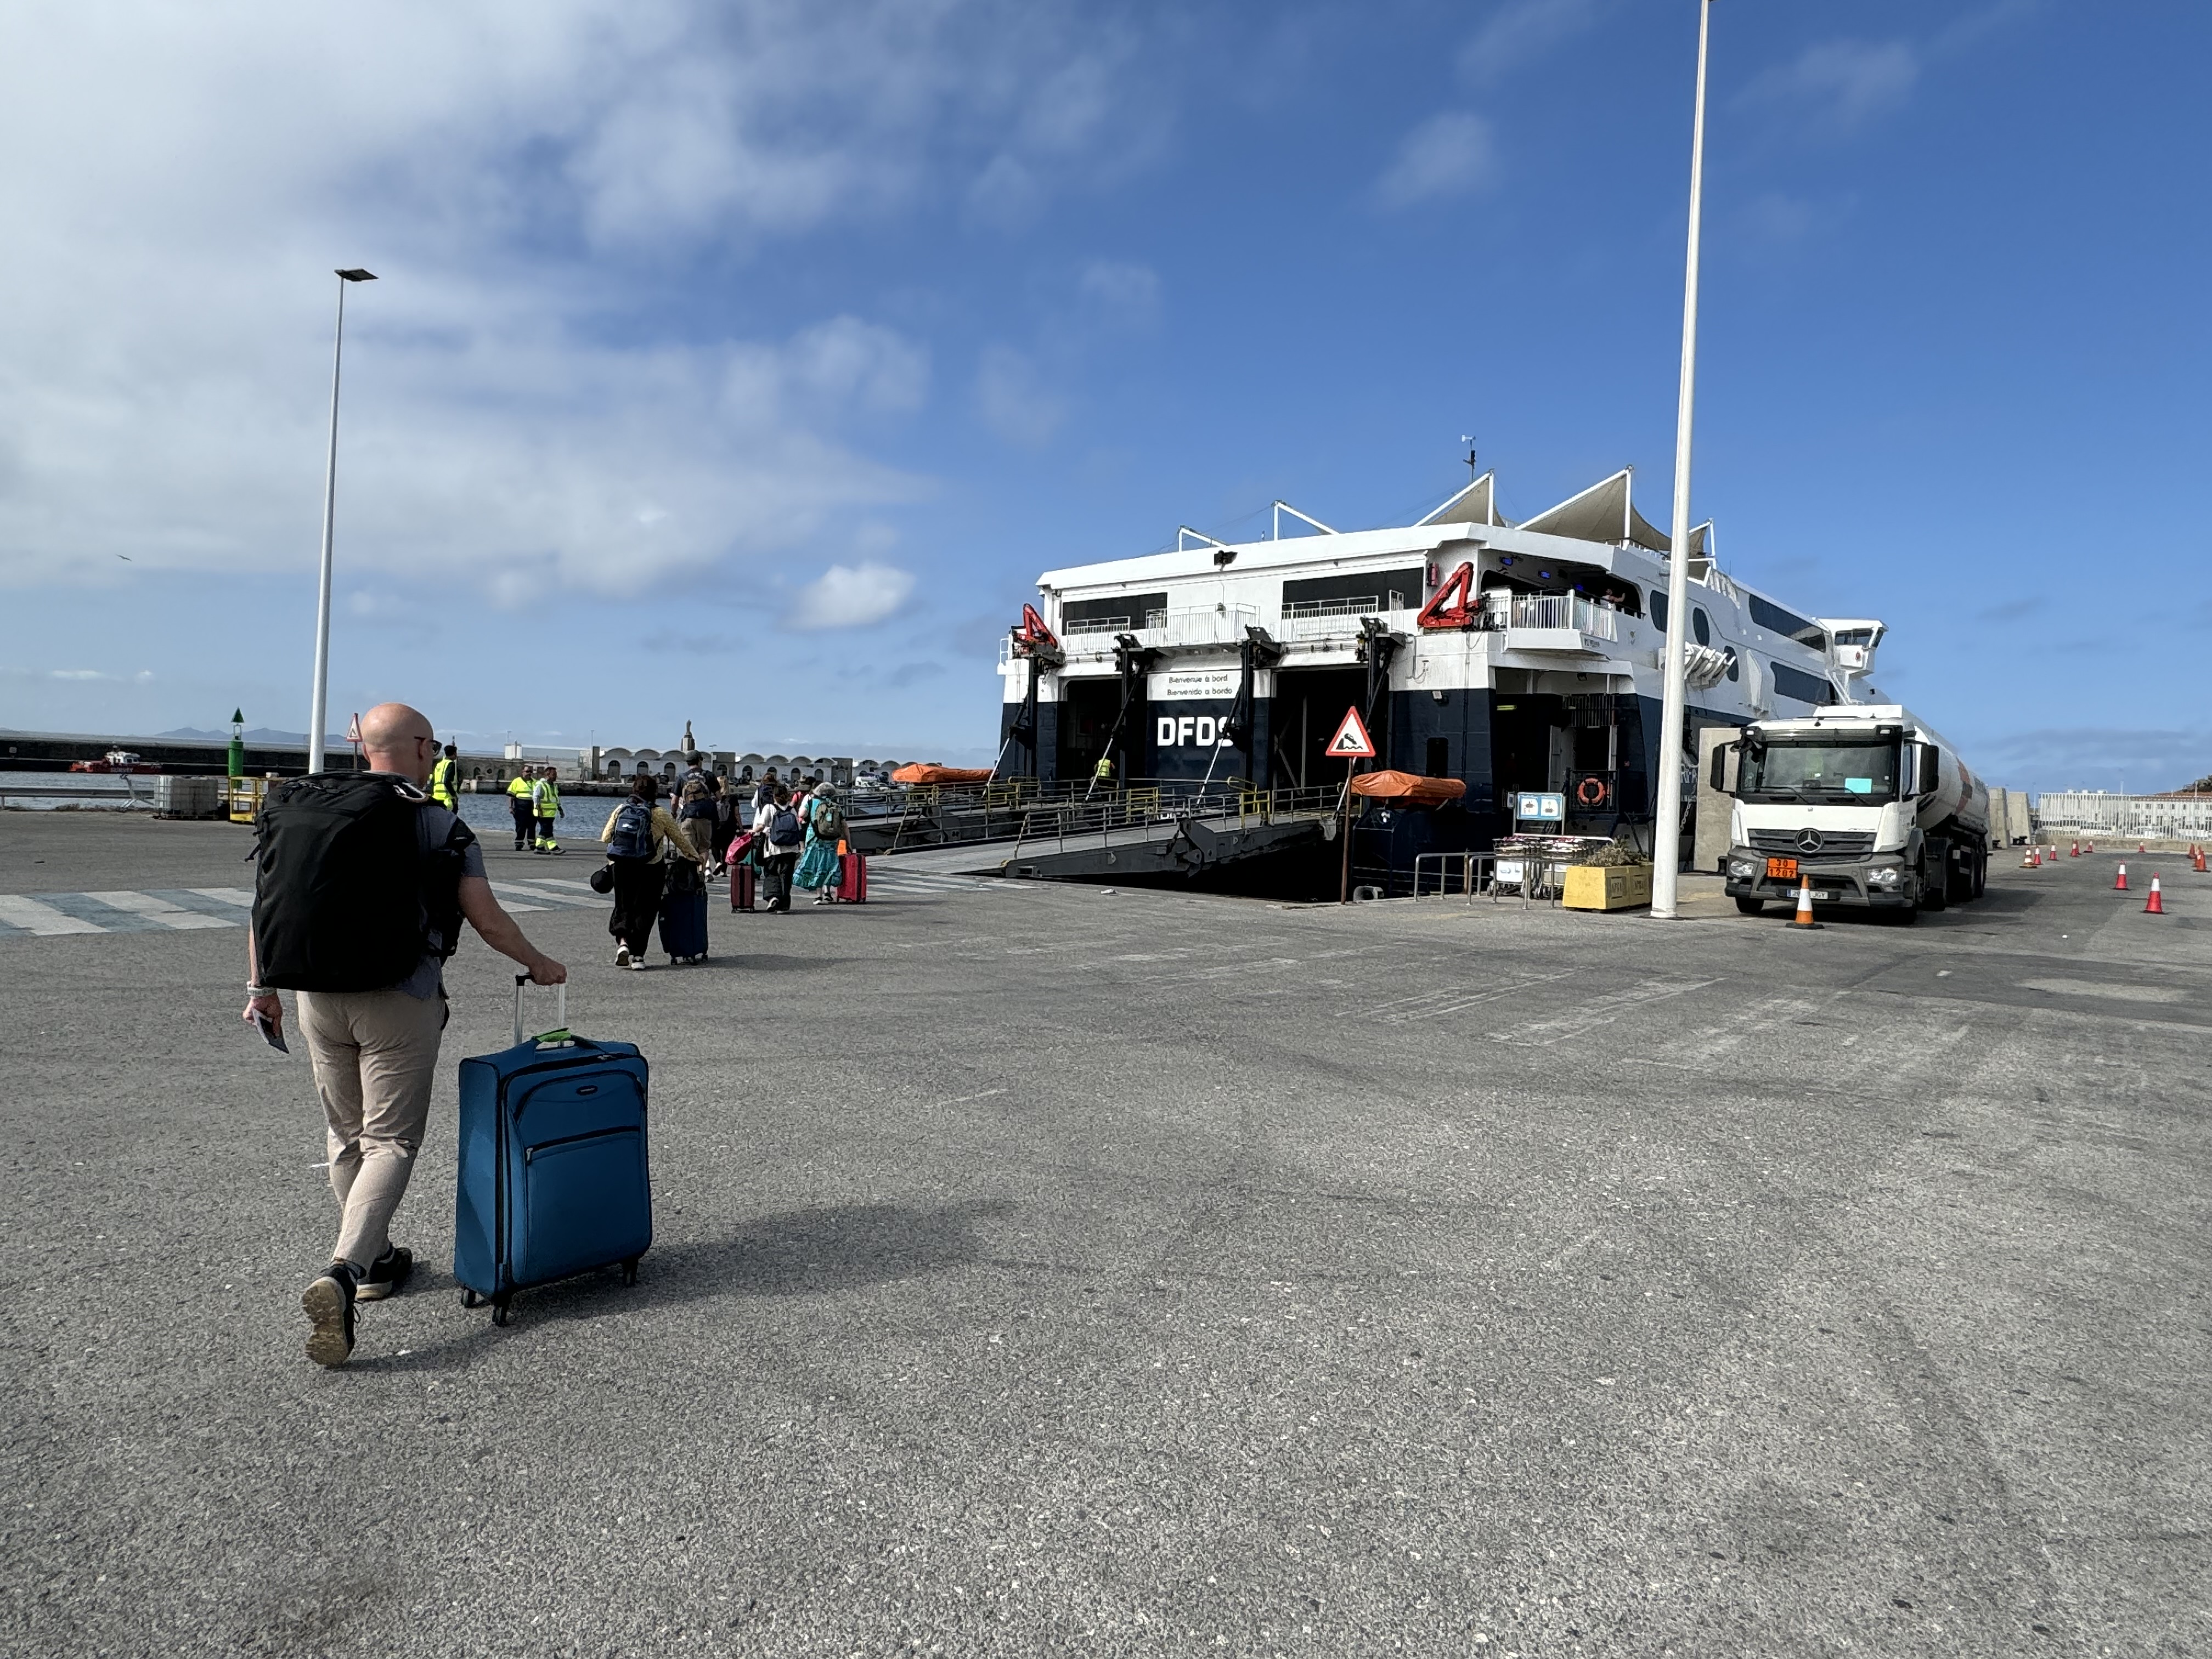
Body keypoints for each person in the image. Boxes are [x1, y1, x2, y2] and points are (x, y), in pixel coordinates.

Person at [244, 702, 566, 1368]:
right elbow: (487, 918)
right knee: (390, 1139)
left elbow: (264, 908)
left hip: (313, 994)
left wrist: (259, 989)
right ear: (421, 747)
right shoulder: (436, 820)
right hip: (400, 995)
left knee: (346, 1133)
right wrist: (538, 963)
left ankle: (376, 1261)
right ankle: (343, 1271)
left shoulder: (300, 808)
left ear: (363, 746)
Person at [599, 774, 701, 969]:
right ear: (655, 792)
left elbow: (605, 838)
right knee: (646, 910)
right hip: (651, 867)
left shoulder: (621, 809)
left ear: (634, 790)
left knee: (623, 906)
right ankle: (638, 957)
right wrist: (695, 857)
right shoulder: (660, 813)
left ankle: (623, 943)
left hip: (621, 866)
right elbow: (679, 839)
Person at [755, 783, 804, 912]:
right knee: (786, 875)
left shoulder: (769, 808)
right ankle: (784, 905)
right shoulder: (792, 810)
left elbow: (761, 826)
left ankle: (773, 897)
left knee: (771, 872)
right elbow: (798, 830)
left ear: (774, 796)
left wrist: (753, 831)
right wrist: (800, 847)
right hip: (791, 848)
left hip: (774, 847)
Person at [795, 782, 845, 906]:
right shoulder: (835, 806)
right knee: (829, 864)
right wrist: (848, 843)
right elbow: (844, 825)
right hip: (832, 839)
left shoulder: (812, 803)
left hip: (815, 838)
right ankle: (828, 892)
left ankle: (819, 895)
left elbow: (801, 814)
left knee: (818, 865)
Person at [674, 752, 720, 877]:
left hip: (687, 817)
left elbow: (674, 801)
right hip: (705, 818)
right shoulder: (709, 775)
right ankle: (701, 871)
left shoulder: (682, 777)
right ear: (700, 761)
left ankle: (690, 874)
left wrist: (673, 814)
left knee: (688, 848)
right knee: (704, 848)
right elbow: (719, 797)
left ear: (688, 763)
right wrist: (709, 800)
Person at [532, 764, 563, 854]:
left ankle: (540, 847)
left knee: (545, 830)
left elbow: (556, 799)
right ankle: (554, 848)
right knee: (548, 830)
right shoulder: (541, 785)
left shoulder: (554, 786)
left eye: (556, 774)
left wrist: (560, 809)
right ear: (548, 775)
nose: (556, 776)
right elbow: (536, 797)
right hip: (542, 812)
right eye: (554, 774)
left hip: (551, 813)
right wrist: (539, 810)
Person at [505, 767, 535, 851]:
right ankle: (519, 844)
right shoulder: (517, 781)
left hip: (532, 807)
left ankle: (532, 844)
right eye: (527, 771)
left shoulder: (535, 782)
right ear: (523, 772)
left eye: (530, 772)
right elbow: (511, 796)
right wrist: (511, 807)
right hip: (520, 807)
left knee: (532, 827)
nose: (529, 773)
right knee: (521, 826)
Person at [430, 743, 460, 810]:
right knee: (451, 815)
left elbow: (433, 781)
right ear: (454, 754)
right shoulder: (450, 765)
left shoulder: (439, 765)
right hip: (447, 799)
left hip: (436, 798)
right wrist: (454, 795)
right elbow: (447, 781)